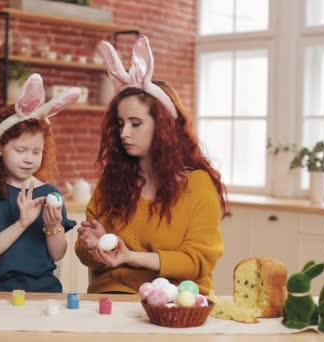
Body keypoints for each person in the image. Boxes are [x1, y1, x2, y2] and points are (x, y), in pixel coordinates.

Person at [75, 35, 228, 295]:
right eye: (121, 124)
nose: (124, 133)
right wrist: (92, 244)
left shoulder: (198, 185)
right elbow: (84, 255)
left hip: (177, 304)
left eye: (136, 123)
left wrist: (129, 256)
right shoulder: (112, 181)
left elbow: (197, 262)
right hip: (113, 297)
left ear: (164, 127)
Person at [0, 73, 81, 292]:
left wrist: (53, 226)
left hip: (41, 291)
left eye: (37, 151)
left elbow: (57, 254)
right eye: (20, 150)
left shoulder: (49, 194)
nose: (29, 158)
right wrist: (21, 223)